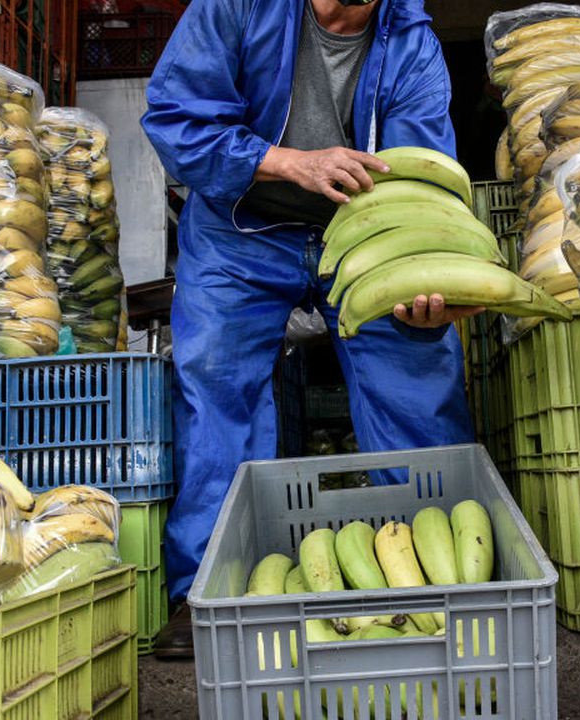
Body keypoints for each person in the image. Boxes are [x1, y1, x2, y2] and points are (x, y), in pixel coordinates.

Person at [141, 0, 478, 658]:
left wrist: (431, 287)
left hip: (362, 229)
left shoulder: (411, 42)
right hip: (239, 228)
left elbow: (425, 177)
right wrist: (290, 162)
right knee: (217, 381)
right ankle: (206, 589)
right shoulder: (235, 8)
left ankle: (443, 581)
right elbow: (176, 121)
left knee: (417, 370)